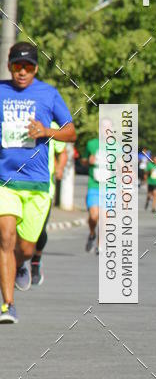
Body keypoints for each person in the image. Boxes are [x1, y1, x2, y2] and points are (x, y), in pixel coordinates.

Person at [0, 42, 76, 323]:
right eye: (17, 66)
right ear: (9, 66)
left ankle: (22, 265)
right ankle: (8, 305)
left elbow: (71, 132)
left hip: (37, 183)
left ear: (36, 69)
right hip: (4, 180)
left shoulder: (48, 93)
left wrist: (46, 131)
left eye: (28, 67)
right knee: (5, 237)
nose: (22, 72)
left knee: (26, 248)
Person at [30, 121, 68, 286]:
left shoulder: (51, 124)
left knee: (39, 231)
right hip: (14, 183)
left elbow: (63, 152)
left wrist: (59, 168)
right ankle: (17, 265)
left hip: (44, 187)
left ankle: (36, 260)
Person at [81, 136, 103, 253]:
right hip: (94, 185)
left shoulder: (117, 147)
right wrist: (88, 161)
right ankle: (92, 233)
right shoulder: (91, 144)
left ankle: (100, 246)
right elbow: (83, 161)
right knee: (94, 217)